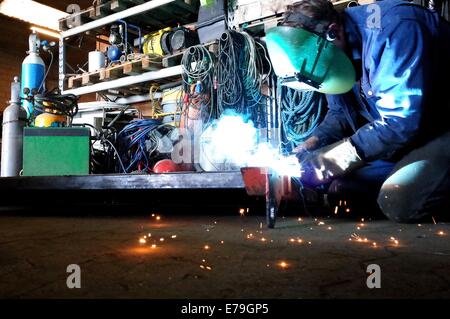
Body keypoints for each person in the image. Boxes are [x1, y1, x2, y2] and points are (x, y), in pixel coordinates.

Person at [268, 0, 450, 222]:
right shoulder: (331, 50)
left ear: (333, 32)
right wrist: (311, 144)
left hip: (441, 131)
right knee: (341, 190)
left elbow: (399, 123)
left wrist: (327, 163)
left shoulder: (395, 30)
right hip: (409, 139)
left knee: (399, 201)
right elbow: (338, 115)